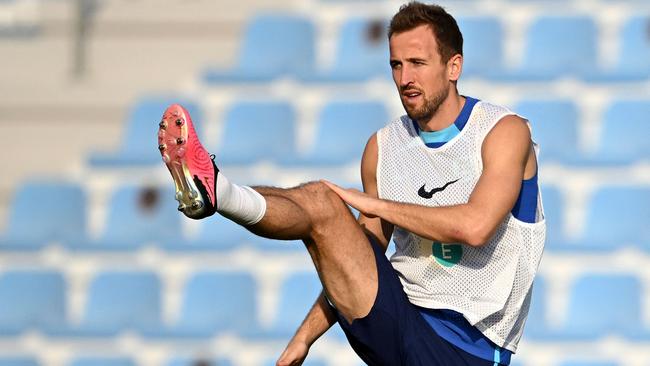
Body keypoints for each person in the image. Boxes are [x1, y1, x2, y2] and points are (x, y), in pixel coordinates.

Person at [156, 2, 545, 365]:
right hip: (396, 316)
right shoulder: (383, 146)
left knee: (330, 201)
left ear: (453, 66)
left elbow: (474, 228)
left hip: (466, 347)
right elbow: (358, 255)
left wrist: (375, 205)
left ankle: (217, 190)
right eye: (395, 64)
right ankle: (217, 190)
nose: (404, 78)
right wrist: (304, 336)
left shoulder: (503, 131)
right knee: (322, 201)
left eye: (417, 63)